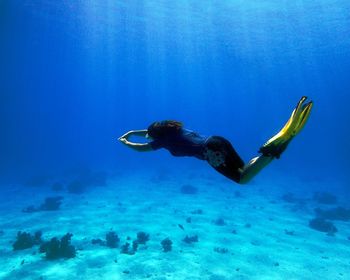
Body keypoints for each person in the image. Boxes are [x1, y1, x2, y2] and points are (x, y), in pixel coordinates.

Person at [118, 96, 313, 184]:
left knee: (242, 179)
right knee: (243, 168)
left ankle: (270, 149)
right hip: (218, 140)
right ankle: (272, 149)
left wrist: (125, 142)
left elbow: (141, 148)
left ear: (157, 136)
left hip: (210, 152)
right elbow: (147, 132)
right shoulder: (174, 130)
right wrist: (131, 132)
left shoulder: (162, 142)